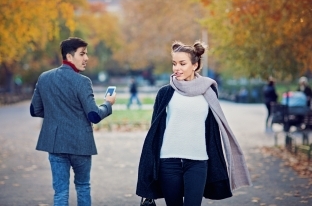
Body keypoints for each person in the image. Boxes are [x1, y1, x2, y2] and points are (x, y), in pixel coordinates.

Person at [136, 41, 251, 206]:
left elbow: (212, 131)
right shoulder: (166, 93)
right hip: (168, 161)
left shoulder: (208, 92)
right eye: (174, 64)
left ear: (195, 65)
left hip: (198, 162)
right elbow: (155, 132)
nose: (177, 68)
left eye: (182, 63)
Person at [30, 37, 116, 206]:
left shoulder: (44, 77)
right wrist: (108, 103)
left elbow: (35, 110)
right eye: (82, 54)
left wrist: (56, 113)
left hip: (55, 144)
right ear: (69, 57)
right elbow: (94, 116)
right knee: (83, 186)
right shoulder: (82, 82)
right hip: (80, 144)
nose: (87, 58)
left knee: (60, 192)